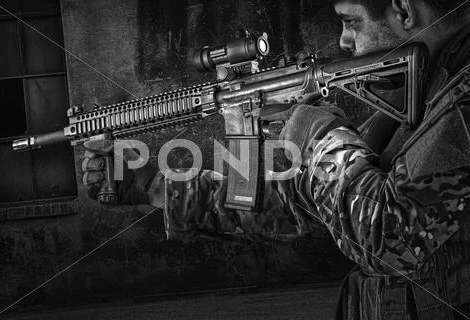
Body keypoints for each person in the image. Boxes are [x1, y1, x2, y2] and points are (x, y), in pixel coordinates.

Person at [82, 0, 470, 319]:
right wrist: (153, 185)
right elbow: (310, 204)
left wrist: (318, 135)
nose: (344, 41)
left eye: (350, 22)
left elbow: (390, 236)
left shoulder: (461, 99)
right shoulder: (428, 91)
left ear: (404, 9)